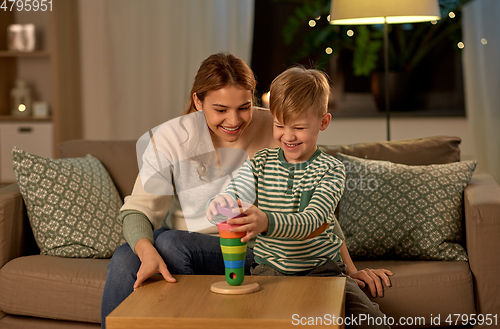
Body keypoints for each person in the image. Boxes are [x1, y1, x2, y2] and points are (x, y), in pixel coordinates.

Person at [101, 53, 391, 328]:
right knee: (134, 254)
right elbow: (139, 210)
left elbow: (313, 204)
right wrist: (146, 249)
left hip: (262, 248)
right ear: (198, 101)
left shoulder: (278, 126)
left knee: (169, 243)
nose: (234, 120)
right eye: (220, 110)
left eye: (244, 107)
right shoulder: (171, 138)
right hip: (197, 247)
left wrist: (350, 269)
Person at [207, 66, 392, 328]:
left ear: (323, 122)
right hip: (269, 272)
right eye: (279, 125)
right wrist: (221, 201)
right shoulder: (260, 163)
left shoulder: (331, 170)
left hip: (324, 272)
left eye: (299, 127)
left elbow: (313, 220)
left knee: (373, 322)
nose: (288, 135)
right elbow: (235, 192)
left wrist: (267, 222)